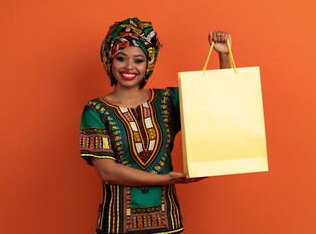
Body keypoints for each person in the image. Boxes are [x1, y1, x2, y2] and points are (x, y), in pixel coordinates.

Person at [80, 17, 232, 234]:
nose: (129, 66)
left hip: (167, 223)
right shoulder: (95, 110)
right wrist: (166, 179)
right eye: (120, 58)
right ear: (109, 60)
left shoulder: (168, 100)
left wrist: (224, 55)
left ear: (148, 63)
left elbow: (222, 102)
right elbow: (107, 171)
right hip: (116, 225)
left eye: (139, 60)